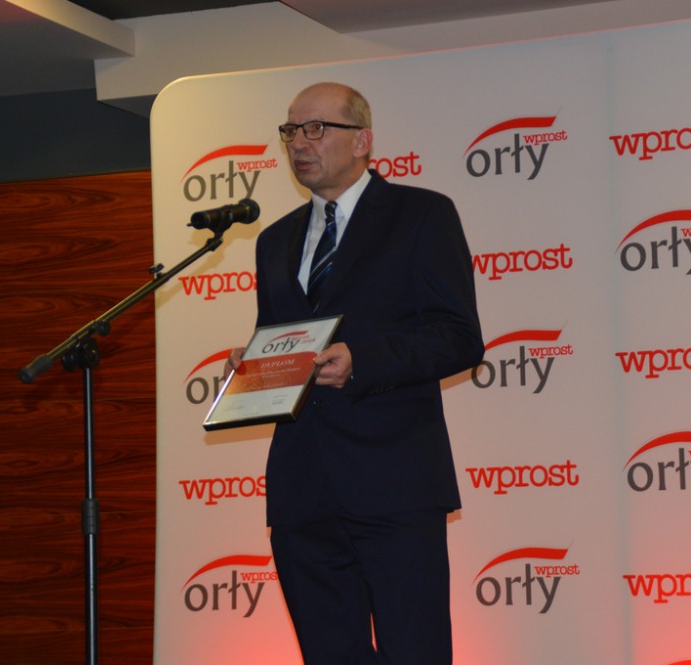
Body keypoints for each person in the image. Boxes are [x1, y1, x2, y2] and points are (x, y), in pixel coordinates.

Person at [226, 82, 484, 665]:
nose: (299, 143)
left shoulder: (422, 215)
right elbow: (287, 343)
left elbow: (458, 337)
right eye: (291, 131)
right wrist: (253, 367)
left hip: (395, 483)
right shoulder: (274, 240)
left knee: (414, 652)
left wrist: (362, 362)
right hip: (303, 492)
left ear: (362, 140)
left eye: (316, 128)